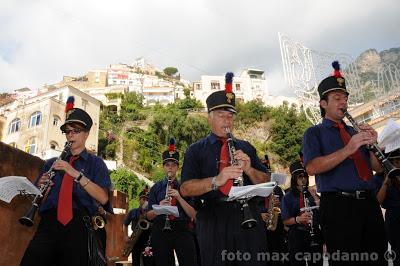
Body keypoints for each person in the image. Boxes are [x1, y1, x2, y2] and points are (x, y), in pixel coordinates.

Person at [302, 61, 387, 266]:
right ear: (323, 104)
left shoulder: (354, 131)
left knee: (379, 259)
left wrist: (375, 145)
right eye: (337, 98)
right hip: (338, 207)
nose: (344, 103)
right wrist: (349, 149)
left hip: (369, 203)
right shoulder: (314, 133)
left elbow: (376, 167)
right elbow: (312, 167)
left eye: (345, 98)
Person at [180, 72, 269, 266]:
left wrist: (250, 170)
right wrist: (216, 180)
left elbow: (267, 183)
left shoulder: (246, 147)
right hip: (213, 220)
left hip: (249, 218)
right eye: (221, 116)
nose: (227, 121)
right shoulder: (195, 150)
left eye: (230, 116)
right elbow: (185, 188)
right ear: (209, 118)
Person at [21, 96, 112, 266]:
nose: (70, 135)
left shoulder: (96, 163)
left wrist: (74, 173)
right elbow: (38, 201)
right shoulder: (51, 164)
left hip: (79, 226)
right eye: (68, 131)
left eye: (75, 130)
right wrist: (43, 188)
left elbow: (104, 198)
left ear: (86, 134)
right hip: (48, 224)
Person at [145, 138, 198, 266]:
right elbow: (147, 216)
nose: (170, 168)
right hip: (161, 229)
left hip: (182, 229)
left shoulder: (186, 187)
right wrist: (159, 208)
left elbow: (193, 215)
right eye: (167, 165)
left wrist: (179, 197)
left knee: (189, 262)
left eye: (173, 165)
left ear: (177, 168)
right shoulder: (156, 188)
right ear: (163, 167)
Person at [281, 161, 323, 266]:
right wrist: (298, 219)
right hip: (296, 235)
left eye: (305, 176)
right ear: (294, 178)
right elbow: (285, 220)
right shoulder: (288, 197)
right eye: (300, 176)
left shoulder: (312, 193)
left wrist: (315, 197)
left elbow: (323, 212)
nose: (303, 179)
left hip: (314, 234)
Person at [376, 148, 400, 266]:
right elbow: (378, 202)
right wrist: (385, 183)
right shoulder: (378, 178)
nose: (398, 164)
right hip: (394, 218)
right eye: (395, 162)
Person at [123, 187, 153, 266]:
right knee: (135, 261)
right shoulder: (133, 212)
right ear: (139, 200)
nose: (145, 202)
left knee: (148, 261)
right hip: (135, 239)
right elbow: (125, 224)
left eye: (147, 200)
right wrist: (125, 236)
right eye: (143, 199)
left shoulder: (151, 213)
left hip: (148, 240)